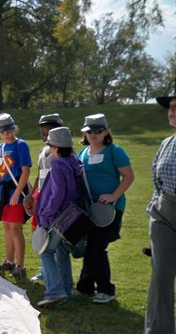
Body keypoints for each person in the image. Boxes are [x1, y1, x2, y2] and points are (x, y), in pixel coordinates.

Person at [75, 113, 134, 304]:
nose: (94, 134)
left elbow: (128, 176)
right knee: (92, 246)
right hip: (89, 208)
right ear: (85, 133)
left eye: (98, 130)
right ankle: (85, 287)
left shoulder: (114, 151)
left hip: (109, 208)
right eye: (90, 131)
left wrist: (113, 196)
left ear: (106, 132)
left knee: (97, 247)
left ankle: (106, 290)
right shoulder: (83, 153)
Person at [35, 127, 82, 308]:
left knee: (45, 251)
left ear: (54, 148)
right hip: (71, 215)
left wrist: (46, 216)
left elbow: (56, 194)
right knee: (61, 252)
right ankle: (67, 291)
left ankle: (54, 291)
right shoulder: (74, 161)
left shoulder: (58, 164)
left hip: (58, 217)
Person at [145, 95, 176, 333]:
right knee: (161, 276)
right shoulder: (166, 143)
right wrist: (155, 208)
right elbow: (157, 180)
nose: (172, 111)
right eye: (171, 108)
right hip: (163, 215)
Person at [0, 113, 32, 279]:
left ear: (13, 128)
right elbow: (0, 169)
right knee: (7, 228)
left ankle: (20, 265)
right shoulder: (0, 147)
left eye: (8, 130)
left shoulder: (21, 145)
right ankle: (9, 261)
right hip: (4, 192)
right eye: (3, 132)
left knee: (16, 228)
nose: (6, 134)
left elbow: (25, 171)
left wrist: (17, 194)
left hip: (16, 191)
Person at [28, 114, 64, 282]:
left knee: (54, 240)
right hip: (41, 198)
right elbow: (39, 175)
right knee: (40, 234)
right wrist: (32, 194)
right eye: (43, 133)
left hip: (54, 200)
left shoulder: (62, 152)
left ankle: (57, 274)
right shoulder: (42, 151)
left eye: (48, 132)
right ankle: (45, 270)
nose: (45, 136)